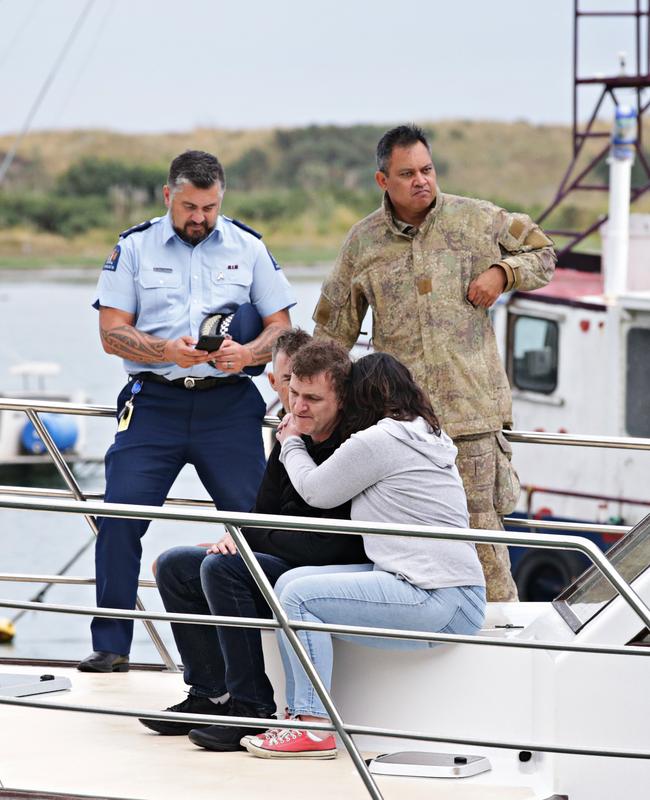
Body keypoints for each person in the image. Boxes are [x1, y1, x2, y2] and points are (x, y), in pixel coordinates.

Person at [312, 124, 557, 602]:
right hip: (399, 430)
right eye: (408, 174)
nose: (422, 180)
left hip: (471, 422)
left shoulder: (478, 219)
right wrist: (305, 401)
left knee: (485, 550)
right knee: (403, 549)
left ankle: (498, 651)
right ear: (384, 181)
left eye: (427, 169)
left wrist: (503, 272)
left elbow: (545, 254)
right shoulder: (362, 244)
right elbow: (332, 332)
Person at [78, 149, 295, 673]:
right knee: (119, 519)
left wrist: (248, 354)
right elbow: (111, 334)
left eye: (210, 207)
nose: (200, 218)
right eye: (190, 207)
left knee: (258, 524)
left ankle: (269, 641)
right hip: (155, 404)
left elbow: (283, 328)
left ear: (222, 199)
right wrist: (163, 350)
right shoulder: (133, 247)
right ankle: (111, 646)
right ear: (168, 196)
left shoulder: (249, 246)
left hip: (230, 406)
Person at [243, 352, 486, 760]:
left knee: (298, 599)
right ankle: (299, 715)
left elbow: (317, 491)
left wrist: (291, 444)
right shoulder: (425, 432)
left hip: (435, 597)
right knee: (289, 583)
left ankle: (313, 726)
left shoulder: (380, 440)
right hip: (454, 593)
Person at [142, 339, 368, 749]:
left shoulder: (354, 446)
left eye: (313, 398)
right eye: (293, 393)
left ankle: (251, 708)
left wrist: (245, 541)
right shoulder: (290, 428)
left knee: (225, 567)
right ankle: (210, 694)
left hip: (328, 567)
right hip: (286, 556)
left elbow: (331, 541)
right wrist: (238, 537)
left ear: (342, 397)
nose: (298, 406)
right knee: (177, 564)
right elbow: (262, 510)